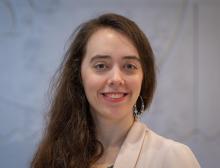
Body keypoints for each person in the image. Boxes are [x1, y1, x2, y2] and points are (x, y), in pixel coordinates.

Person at [31, 13, 200, 168]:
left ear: (144, 76)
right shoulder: (54, 156)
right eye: (101, 65)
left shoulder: (174, 158)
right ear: (78, 75)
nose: (116, 79)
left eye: (129, 66)